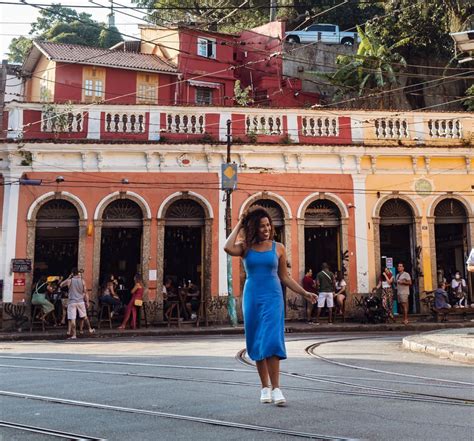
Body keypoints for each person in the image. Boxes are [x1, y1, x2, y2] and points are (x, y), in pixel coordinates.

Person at [224, 206, 317, 406]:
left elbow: (285, 277)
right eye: (261, 226)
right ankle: (264, 387)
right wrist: (240, 222)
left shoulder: (279, 247)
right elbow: (227, 247)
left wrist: (304, 293)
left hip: (273, 297)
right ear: (254, 228)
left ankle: (276, 388)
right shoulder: (245, 247)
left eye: (268, 225)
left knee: (272, 341)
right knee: (257, 341)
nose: (266, 229)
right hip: (253, 297)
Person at [60, 268, 94, 339]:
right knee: (84, 316)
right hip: (81, 301)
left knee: (73, 319)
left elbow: (61, 285)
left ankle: (74, 335)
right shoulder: (82, 281)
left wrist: (68, 277)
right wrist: (87, 302)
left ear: (72, 273)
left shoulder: (70, 281)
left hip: (72, 302)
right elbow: (85, 292)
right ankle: (90, 329)